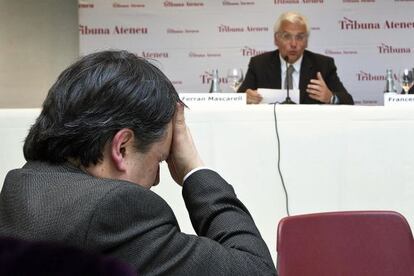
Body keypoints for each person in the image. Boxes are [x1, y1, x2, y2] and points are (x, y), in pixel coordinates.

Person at [0, 50, 276, 275]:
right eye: (161, 159)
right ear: (121, 147)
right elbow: (257, 270)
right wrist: (194, 170)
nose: (157, 179)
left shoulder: (19, 186)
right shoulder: (114, 211)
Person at [238, 11, 354, 105]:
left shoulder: (323, 65)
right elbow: (238, 99)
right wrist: (245, 98)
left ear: (306, 41)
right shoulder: (259, 64)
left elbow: (348, 101)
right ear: (276, 39)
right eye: (287, 36)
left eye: (300, 37)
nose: (293, 44)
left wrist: (331, 97)